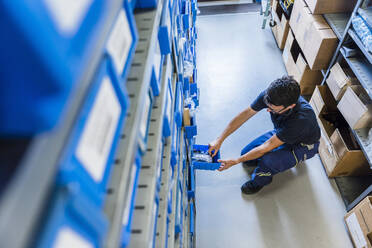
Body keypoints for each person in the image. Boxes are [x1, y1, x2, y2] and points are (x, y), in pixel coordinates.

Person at [208, 76, 321, 194]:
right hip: (282, 132)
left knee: (268, 162)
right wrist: (220, 139)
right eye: (268, 106)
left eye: (273, 110)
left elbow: (267, 146)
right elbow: (246, 114)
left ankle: (258, 182)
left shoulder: (301, 120)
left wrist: (236, 160)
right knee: (246, 155)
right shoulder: (270, 96)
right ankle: (267, 158)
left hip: (303, 145)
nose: (268, 110)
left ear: (290, 106)